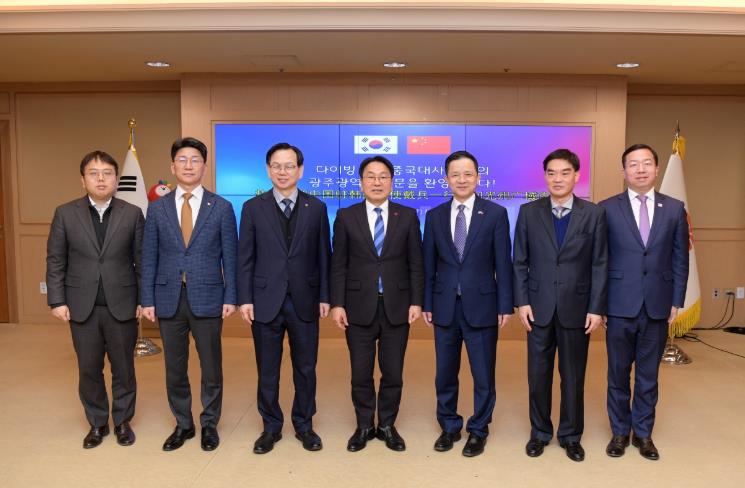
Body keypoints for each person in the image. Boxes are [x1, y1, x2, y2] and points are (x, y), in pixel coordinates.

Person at [141, 137, 237, 452]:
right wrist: (147, 299)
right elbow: (149, 256)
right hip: (168, 297)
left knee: (211, 367)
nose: (188, 165)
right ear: (173, 166)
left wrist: (231, 296)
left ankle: (210, 424)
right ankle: (183, 424)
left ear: (204, 167)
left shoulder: (221, 207)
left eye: (195, 160)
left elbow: (230, 257)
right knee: (174, 367)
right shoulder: (157, 209)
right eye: (182, 159)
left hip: (208, 296)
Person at [513, 148, 608, 462]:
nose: (558, 179)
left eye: (565, 172)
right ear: (545, 176)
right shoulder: (528, 212)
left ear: (576, 176)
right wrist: (522, 302)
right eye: (551, 173)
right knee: (538, 376)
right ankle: (540, 432)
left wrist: (596, 308)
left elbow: (600, 264)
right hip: (538, 307)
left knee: (573, 377)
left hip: (577, 308)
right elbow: (519, 261)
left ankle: (570, 436)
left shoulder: (593, 214)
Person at [237, 142, 331, 454]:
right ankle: (271, 427)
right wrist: (245, 298)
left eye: (289, 166)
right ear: (268, 170)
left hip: (305, 299)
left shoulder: (316, 208)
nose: (282, 171)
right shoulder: (253, 208)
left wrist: (325, 296)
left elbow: (324, 256)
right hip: (265, 300)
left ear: (300, 170)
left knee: (306, 368)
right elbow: (245, 257)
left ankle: (304, 425)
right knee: (268, 369)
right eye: (276, 166)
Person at [46, 150, 144, 448]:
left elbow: (142, 260)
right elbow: (56, 260)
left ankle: (123, 421)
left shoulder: (132, 213)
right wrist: (57, 300)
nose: (101, 179)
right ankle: (98, 423)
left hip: (123, 303)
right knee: (89, 368)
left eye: (107, 173)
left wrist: (144, 299)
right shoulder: (65, 213)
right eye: (94, 173)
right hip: (81, 305)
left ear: (116, 178)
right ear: (83, 179)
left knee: (123, 368)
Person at [600, 144, 689, 461]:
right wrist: (600, 304)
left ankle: (643, 433)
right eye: (633, 164)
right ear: (623, 171)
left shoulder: (675, 208)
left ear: (656, 168)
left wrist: (676, 300)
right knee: (618, 373)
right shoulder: (606, 208)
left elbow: (680, 259)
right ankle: (619, 432)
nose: (640, 169)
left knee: (648, 376)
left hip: (658, 303)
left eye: (646, 163)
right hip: (618, 304)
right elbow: (600, 260)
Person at [422, 150, 513, 457]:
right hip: (444, 306)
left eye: (467, 174)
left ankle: (478, 429)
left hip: (484, 306)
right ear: (447, 179)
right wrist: (426, 303)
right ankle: (449, 426)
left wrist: (505, 305)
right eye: (455, 174)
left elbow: (503, 263)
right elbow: (428, 264)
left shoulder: (496, 214)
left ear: (477, 177)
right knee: (445, 373)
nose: (461, 180)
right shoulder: (434, 216)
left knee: (483, 374)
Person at [330, 155, 424, 452]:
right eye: (370, 176)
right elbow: (338, 264)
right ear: (361, 182)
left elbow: (416, 263)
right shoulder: (346, 216)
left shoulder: (407, 216)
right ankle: (363, 425)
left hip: (398, 305)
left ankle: (386, 425)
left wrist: (417, 301)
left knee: (393, 371)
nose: (377, 182)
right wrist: (337, 304)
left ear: (392, 182)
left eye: (383, 176)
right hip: (357, 306)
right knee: (360, 372)